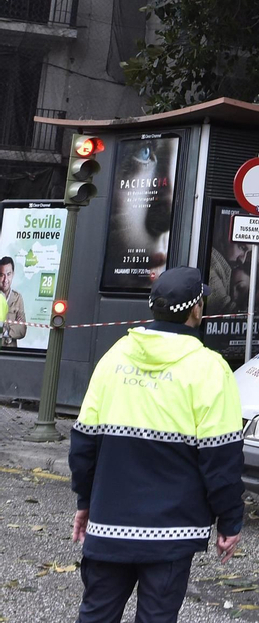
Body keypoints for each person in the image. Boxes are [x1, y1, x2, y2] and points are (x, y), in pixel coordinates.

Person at [69, 267, 243, 623]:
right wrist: (229, 520)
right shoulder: (211, 369)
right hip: (173, 534)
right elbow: (221, 457)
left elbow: (83, 444)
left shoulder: (114, 357)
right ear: (197, 311)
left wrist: (86, 503)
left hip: (110, 525)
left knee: (96, 615)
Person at [0, 255, 26, 347]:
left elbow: (22, 330)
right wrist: (13, 326)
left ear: (13, 274)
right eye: (1, 275)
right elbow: (17, 328)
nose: (5, 280)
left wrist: (5, 331)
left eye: (8, 274)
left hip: (11, 353)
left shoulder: (18, 298)